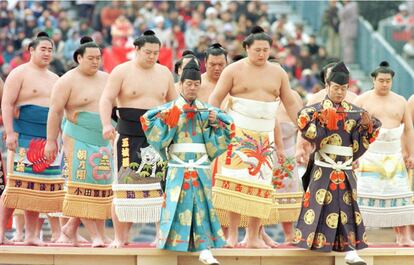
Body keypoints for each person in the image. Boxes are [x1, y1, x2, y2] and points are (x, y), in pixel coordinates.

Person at [208, 26, 301, 248]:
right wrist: (216, 123)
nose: (261, 54)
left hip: (265, 136)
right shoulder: (233, 70)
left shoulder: (278, 72)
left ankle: (252, 236)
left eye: (265, 50)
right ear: (247, 48)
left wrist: (303, 126)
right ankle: (231, 235)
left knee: (261, 185)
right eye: (257, 49)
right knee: (235, 184)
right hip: (237, 133)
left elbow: (289, 102)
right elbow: (215, 98)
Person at [141, 58, 233, 265]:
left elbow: (229, 126)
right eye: (188, 84)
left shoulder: (207, 110)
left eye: (196, 84)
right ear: (180, 84)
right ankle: (172, 243)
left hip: (200, 165)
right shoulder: (169, 108)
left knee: (201, 205)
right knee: (177, 204)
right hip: (177, 165)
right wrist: (169, 120)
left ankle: (204, 248)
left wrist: (215, 123)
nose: (192, 88)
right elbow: (147, 122)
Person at [294, 61, 381, 265]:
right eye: (336, 88)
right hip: (323, 166)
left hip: (345, 167)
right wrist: (321, 122)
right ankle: (314, 243)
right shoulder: (314, 110)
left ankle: (351, 251)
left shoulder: (356, 112)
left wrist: (369, 126)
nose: (340, 92)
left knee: (348, 207)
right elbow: (304, 124)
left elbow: (366, 134)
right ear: (327, 86)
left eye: (343, 88)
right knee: (320, 205)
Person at [99, 30, 177, 248]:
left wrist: (173, 132)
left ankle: (159, 235)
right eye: (148, 52)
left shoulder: (164, 73)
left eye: (155, 53)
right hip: (128, 133)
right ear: (137, 50)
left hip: (157, 137)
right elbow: (106, 99)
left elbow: (174, 105)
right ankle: (119, 237)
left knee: (159, 185)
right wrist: (106, 124)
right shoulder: (121, 71)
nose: (152, 56)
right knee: (124, 185)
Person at [44, 36, 112, 247]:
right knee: (80, 185)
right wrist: (50, 141)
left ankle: (76, 228)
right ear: (79, 58)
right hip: (76, 136)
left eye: (98, 58)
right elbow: (55, 112)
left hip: (102, 138)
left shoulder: (107, 78)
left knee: (101, 185)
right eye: (91, 58)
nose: (95, 61)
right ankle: (95, 235)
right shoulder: (66, 81)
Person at [0, 32, 64, 246]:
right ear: (31, 51)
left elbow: (58, 111)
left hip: (47, 138)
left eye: (50, 50)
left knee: (37, 186)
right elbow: (7, 104)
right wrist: (9, 132)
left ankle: (31, 235)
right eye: (43, 49)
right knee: (16, 186)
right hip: (23, 136)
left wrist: (57, 138)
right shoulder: (19, 73)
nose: (47, 53)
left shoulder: (55, 78)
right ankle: (0, 232)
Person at [354, 61, 414, 246]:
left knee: (400, 194)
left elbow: (409, 130)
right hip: (370, 153)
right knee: (365, 194)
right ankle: (362, 237)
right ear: (374, 80)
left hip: (394, 154)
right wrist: (354, 155)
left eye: (388, 80)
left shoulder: (400, 100)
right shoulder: (362, 100)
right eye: (381, 80)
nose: (385, 84)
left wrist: (410, 153)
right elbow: (352, 130)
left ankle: (403, 236)